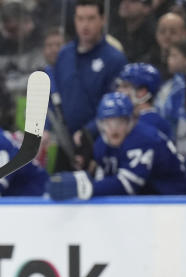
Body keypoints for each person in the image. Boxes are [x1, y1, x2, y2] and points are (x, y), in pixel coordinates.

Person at [47, 91, 186, 200]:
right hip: (152, 201)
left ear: (130, 121)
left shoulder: (144, 139)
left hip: (180, 199)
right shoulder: (101, 144)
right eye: (108, 122)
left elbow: (127, 185)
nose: (113, 128)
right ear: (100, 124)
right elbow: (105, 178)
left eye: (119, 121)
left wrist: (85, 187)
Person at [52, 0, 128, 170]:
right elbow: (55, 94)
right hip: (65, 142)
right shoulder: (64, 55)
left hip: (100, 143)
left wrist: (89, 132)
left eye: (91, 18)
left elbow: (116, 104)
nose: (85, 25)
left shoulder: (114, 59)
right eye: (80, 18)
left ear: (103, 19)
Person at [116, 62, 173, 139]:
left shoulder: (153, 122)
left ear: (142, 92)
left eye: (125, 86)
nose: (119, 91)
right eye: (119, 86)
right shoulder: (131, 118)